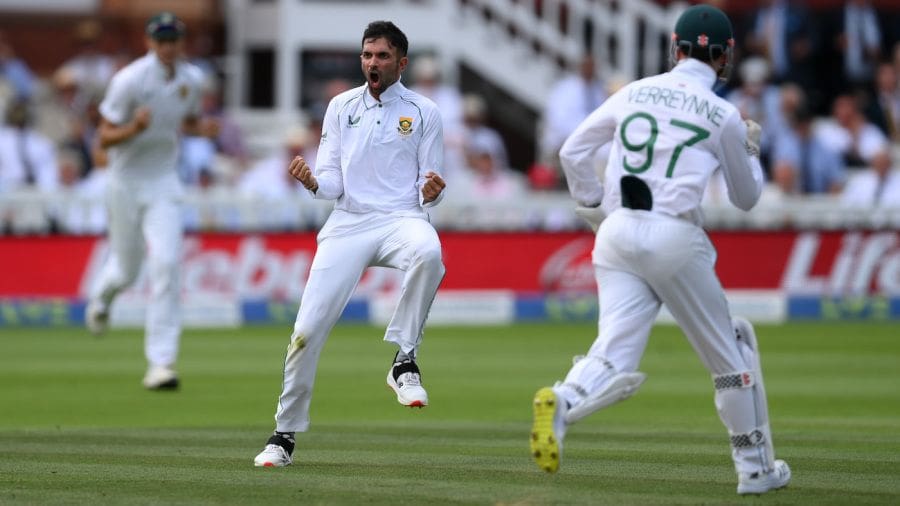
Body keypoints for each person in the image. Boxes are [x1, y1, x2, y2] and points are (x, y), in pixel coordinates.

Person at [529, 4, 791, 496]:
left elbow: (571, 152)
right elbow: (747, 198)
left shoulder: (633, 90)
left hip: (617, 231)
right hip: (673, 234)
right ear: (726, 55)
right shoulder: (723, 114)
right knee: (732, 357)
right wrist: (751, 149)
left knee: (612, 353)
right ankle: (754, 469)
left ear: (675, 48)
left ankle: (563, 400)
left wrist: (591, 204)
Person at [253, 20, 447, 468]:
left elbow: (427, 184)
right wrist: (312, 183)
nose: (371, 63)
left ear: (401, 62)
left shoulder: (423, 112)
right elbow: (333, 183)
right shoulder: (341, 106)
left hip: (402, 216)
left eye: (381, 56)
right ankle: (283, 437)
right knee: (304, 335)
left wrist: (433, 193)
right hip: (348, 223)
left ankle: (404, 361)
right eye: (366, 55)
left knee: (430, 253)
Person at [84, 12, 219, 390]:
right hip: (124, 182)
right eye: (161, 40)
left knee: (167, 262)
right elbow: (104, 139)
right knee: (127, 271)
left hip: (163, 181)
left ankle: (161, 363)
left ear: (181, 43)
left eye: (173, 39)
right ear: (149, 42)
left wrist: (201, 129)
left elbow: (186, 121)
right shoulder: (128, 81)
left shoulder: (192, 79)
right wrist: (134, 128)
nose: (167, 47)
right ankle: (102, 296)